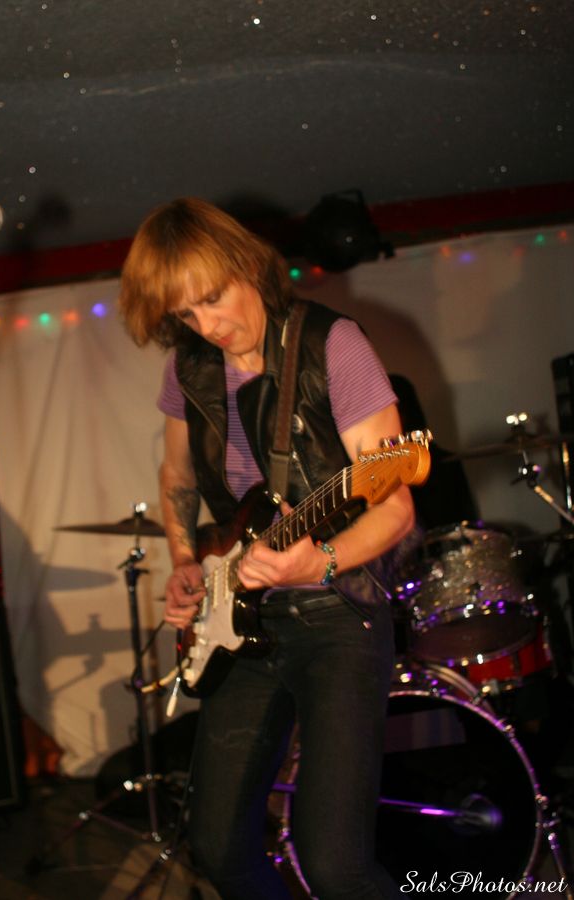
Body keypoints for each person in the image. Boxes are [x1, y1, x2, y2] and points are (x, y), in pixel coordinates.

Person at [119, 197, 416, 900]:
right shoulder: (188, 369)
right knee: (218, 848)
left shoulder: (332, 344)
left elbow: (396, 503)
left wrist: (321, 560)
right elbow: (176, 477)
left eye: (212, 300)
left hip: (339, 613)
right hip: (243, 623)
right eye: (187, 314)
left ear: (247, 265)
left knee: (335, 865)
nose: (208, 327)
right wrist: (185, 561)